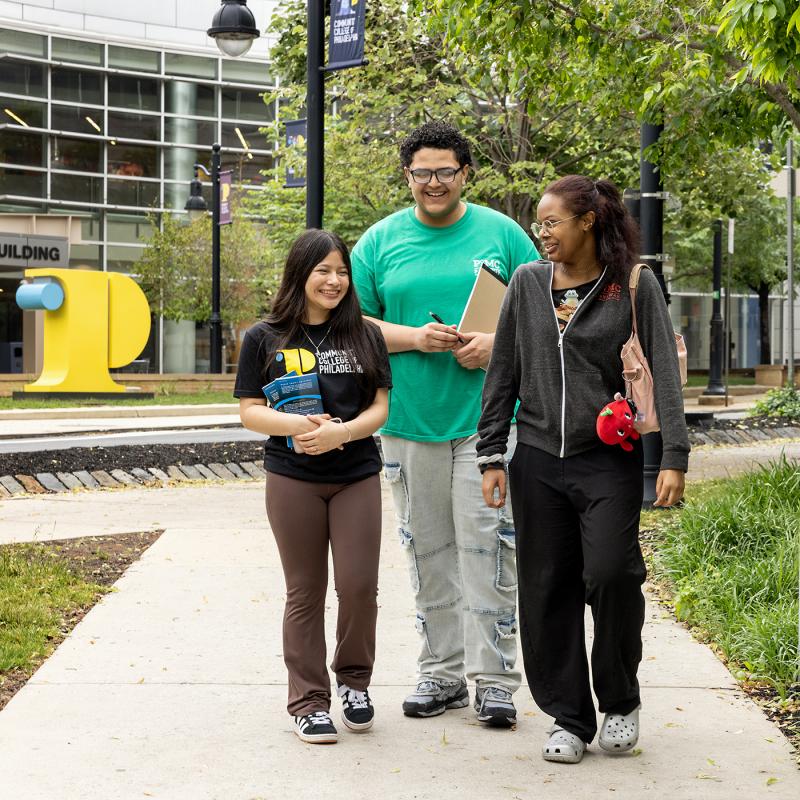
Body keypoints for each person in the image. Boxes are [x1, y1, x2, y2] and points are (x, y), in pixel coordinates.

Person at [477, 175, 690, 762]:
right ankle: (568, 718)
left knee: (613, 574)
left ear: (588, 221)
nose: (541, 233)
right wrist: (491, 452)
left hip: (607, 459)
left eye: (551, 222)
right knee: (548, 589)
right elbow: (504, 370)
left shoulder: (633, 283)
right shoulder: (526, 283)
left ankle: (619, 700)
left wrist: (674, 453)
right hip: (539, 459)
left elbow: (665, 374)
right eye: (538, 224)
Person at [351, 120, 539, 727]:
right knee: (427, 550)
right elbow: (352, 325)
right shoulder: (379, 242)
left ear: (466, 174)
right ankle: (441, 673)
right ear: (407, 177)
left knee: (489, 549)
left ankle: (496, 682)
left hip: (489, 423)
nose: (434, 182)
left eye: (445, 171)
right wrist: (416, 338)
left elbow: (545, 307)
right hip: (408, 421)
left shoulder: (502, 234)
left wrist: (494, 343)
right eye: (422, 173)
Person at [235, 229, 392, 744]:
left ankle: (354, 684)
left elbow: (380, 408)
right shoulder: (264, 336)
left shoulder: (365, 336)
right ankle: (308, 700)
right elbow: (250, 412)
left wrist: (341, 432)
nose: (333, 280)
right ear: (300, 274)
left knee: (359, 587)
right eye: (322, 270)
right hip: (292, 478)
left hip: (356, 476)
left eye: (341, 271)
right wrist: (302, 429)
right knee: (305, 591)